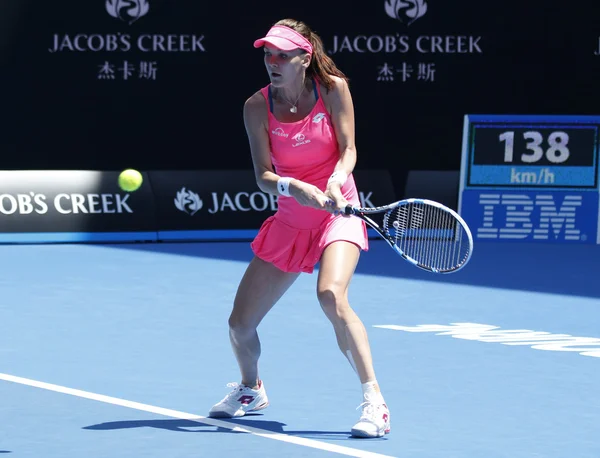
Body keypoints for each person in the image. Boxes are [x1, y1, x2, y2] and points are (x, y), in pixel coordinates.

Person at [207, 18, 391, 438]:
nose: (272, 62)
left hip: (337, 210)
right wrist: (295, 187)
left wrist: (333, 182)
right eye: (268, 55)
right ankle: (251, 388)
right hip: (292, 218)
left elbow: (349, 150)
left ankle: (375, 404)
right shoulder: (256, 106)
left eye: (282, 55)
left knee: (330, 294)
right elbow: (263, 175)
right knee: (239, 324)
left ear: (304, 58)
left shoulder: (333, 89)